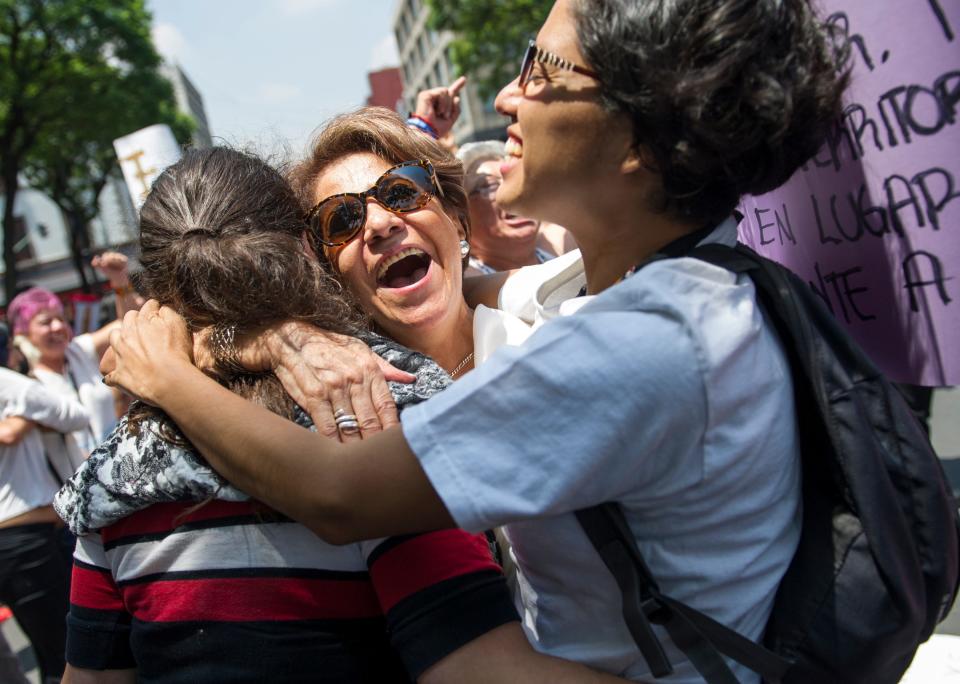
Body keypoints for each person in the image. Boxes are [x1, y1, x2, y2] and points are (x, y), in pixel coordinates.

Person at [102, 0, 847, 680]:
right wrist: (266, 340)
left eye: (401, 193)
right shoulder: (586, 298)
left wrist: (170, 377)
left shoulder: (585, 340)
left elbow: (338, 497)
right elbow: (143, 347)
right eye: (340, 223)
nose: (506, 95)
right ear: (323, 272)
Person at [56, 147, 627, 684]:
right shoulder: (368, 411)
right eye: (341, 219)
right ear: (310, 256)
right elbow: (470, 664)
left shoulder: (111, 480)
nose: (379, 224)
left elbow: (89, 676)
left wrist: (218, 352)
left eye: (403, 193)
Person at [0, 364, 91, 684]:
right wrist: (25, 418)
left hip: (26, 540)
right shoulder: (10, 385)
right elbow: (74, 414)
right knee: (66, 654)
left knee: (52, 653)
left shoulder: (11, 388)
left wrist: (24, 420)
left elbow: (74, 416)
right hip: (22, 544)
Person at [457, 140, 571, 275]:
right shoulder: (464, 282)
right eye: (490, 185)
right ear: (461, 217)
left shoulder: (562, 243)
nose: (513, 193)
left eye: (519, 180)